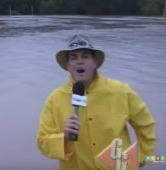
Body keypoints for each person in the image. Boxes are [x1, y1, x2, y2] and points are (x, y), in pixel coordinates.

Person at [36, 34, 156, 170]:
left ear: (95, 63)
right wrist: (65, 138)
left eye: (85, 56)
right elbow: (43, 142)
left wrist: (141, 158)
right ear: (68, 66)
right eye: (73, 58)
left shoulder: (121, 91)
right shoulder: (54, 98)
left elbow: (146, 126)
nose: (79, 61)